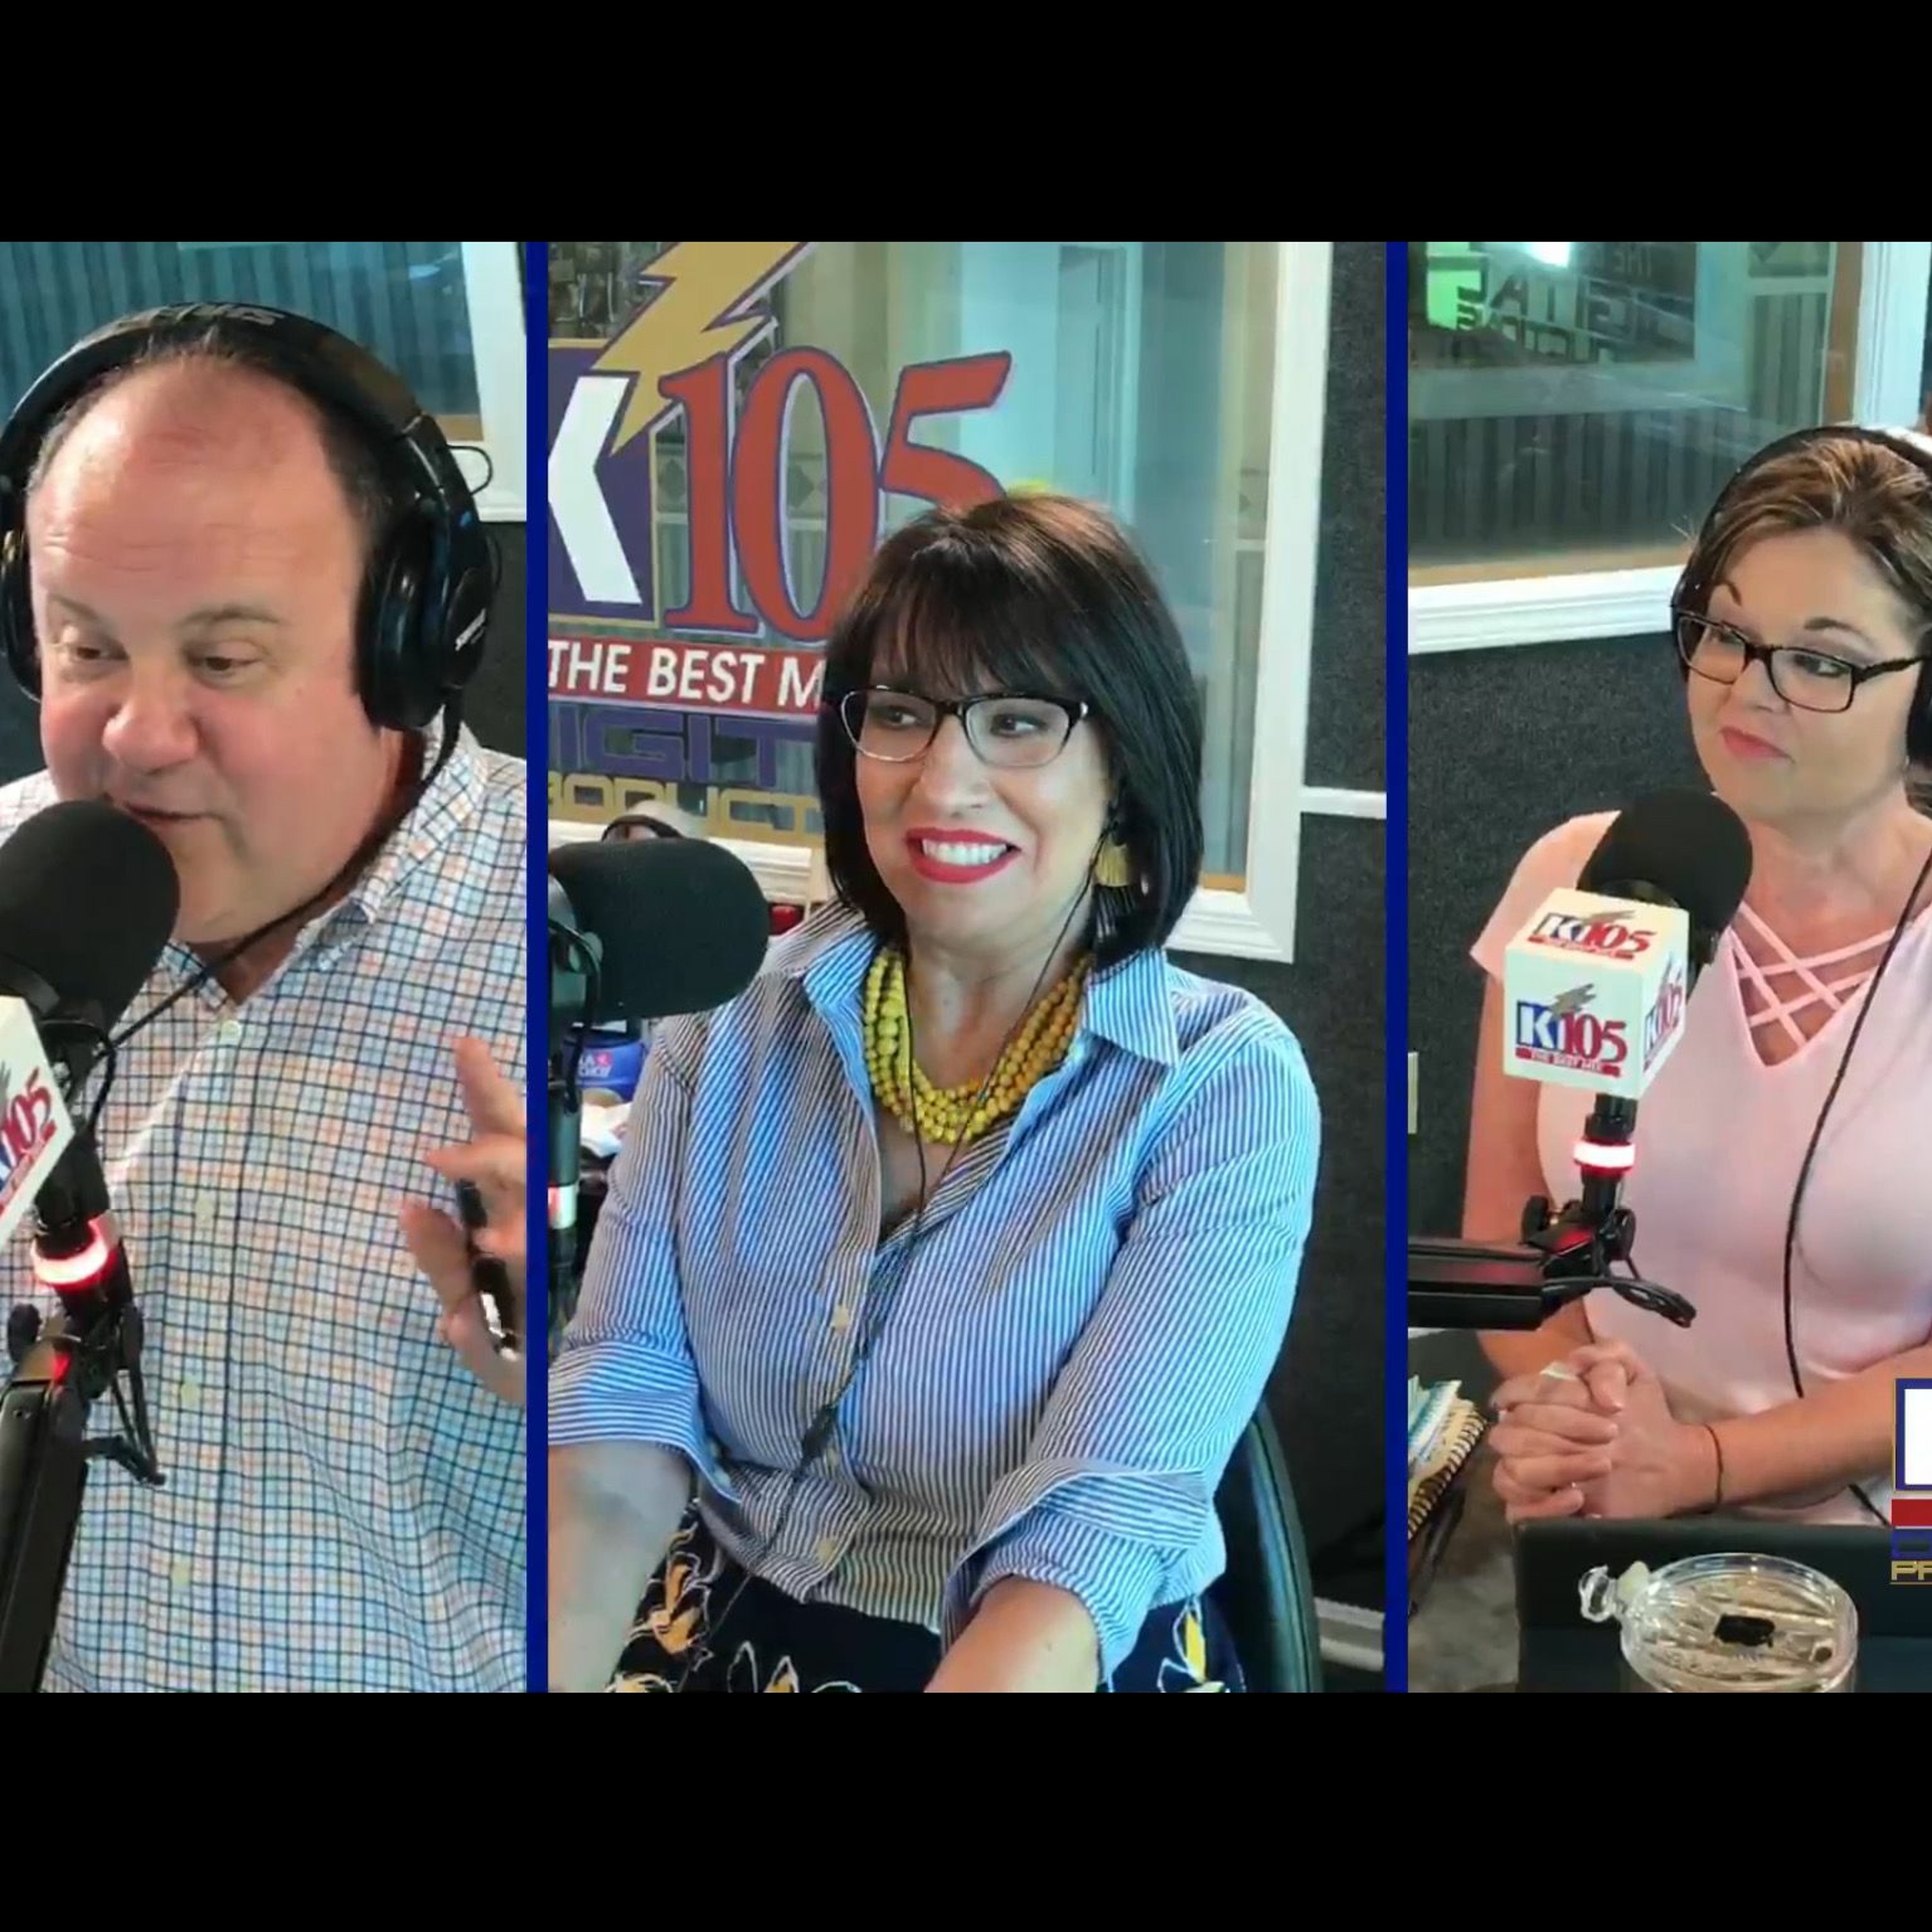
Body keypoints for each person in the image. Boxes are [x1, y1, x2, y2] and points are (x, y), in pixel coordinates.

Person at [549, 493, 1320, 1692]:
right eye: (901, 715)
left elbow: (1085, 1543)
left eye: (1018, 722)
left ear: (1121, 769)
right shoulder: (730, 1019)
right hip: (721, 1621)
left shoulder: (1221, 1085)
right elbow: (622, 1419)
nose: (943, 780)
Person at [0, 306, 526, 1690]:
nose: (137, 736)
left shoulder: (589, 983)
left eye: (223, 660)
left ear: (408, 645)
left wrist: (608, 1359)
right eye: (86, 649)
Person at [1466, 422, 1932, 1530]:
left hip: (1900, 1538)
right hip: (1615, 1510)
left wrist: (1709, 1463)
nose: (1747, 691)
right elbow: (1499, 1240)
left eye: (1822, 661)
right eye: (1727, 634)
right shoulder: (1581, 875)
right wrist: (1582, 1423)